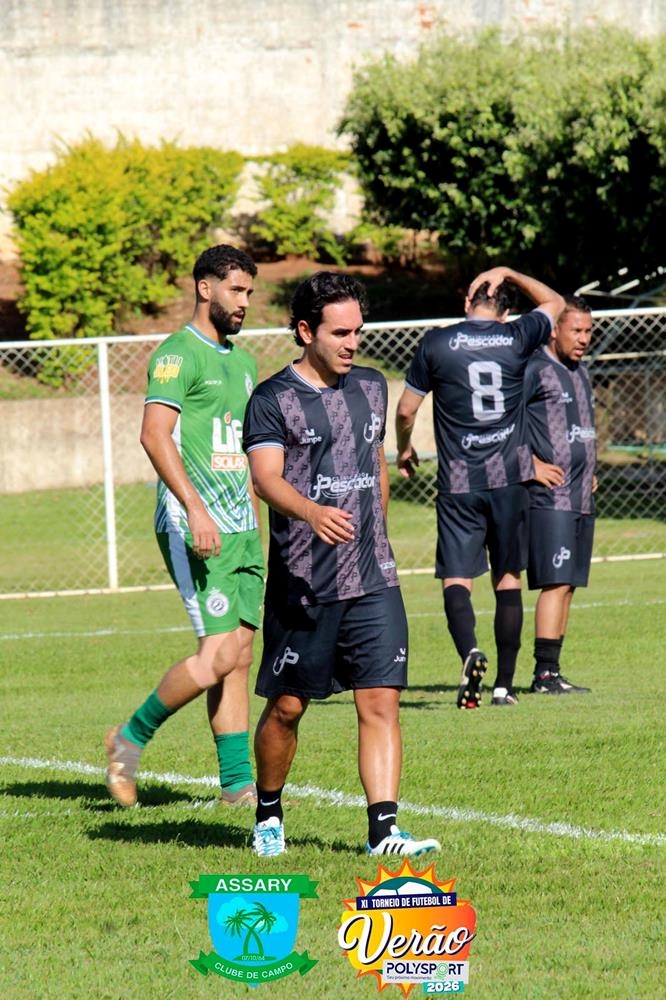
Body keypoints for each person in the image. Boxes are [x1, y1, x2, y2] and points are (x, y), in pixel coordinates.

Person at [242, 271, 440, 858]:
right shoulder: (272, 399)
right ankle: (268, 813)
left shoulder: (373, 386)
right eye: (340, 333)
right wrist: (312, 512)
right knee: (287, 708)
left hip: (373, 576)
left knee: (380, 701)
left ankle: (384, 831)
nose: (353, 343)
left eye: (358, 331)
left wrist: (376, 533)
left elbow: (374, 462)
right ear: (306, 332)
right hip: (305, 582)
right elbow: (265, 478)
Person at [105, 244, 265, 807]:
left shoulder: (243, 363)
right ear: (205, 287)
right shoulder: (177, 354)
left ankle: (237, 786)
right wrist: (196, 508)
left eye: (249, 292)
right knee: (217, 655)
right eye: (236, 290)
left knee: (238, 656)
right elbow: (153, 435)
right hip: (193, 524)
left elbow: (243, 450)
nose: (245, 302)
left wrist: (255, 517)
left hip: (241, 528)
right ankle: (129, 739)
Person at [395, 266, 565, 708]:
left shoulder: (436, 343)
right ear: (506, 312)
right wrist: (509, 271)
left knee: (457, 577)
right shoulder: (516, 336)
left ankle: (469, 651)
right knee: (507, 579)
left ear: (466, 303)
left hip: (459, 482)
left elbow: (407, 410)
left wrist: (404, 447)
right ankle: (504, 687)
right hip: (509, 480)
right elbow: (556, 303)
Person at [524, 294, 595, 694]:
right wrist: (530, 464)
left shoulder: (581, 371)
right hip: (552, 498)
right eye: (576, 330)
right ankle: (543, 675)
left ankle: (553, 670)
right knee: (555, 581)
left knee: (568, 583)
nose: (583, 338)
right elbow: (507, 422)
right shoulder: (535, 369)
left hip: (581, 494)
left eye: (588, 331)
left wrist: (591, 468)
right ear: (554, 330)